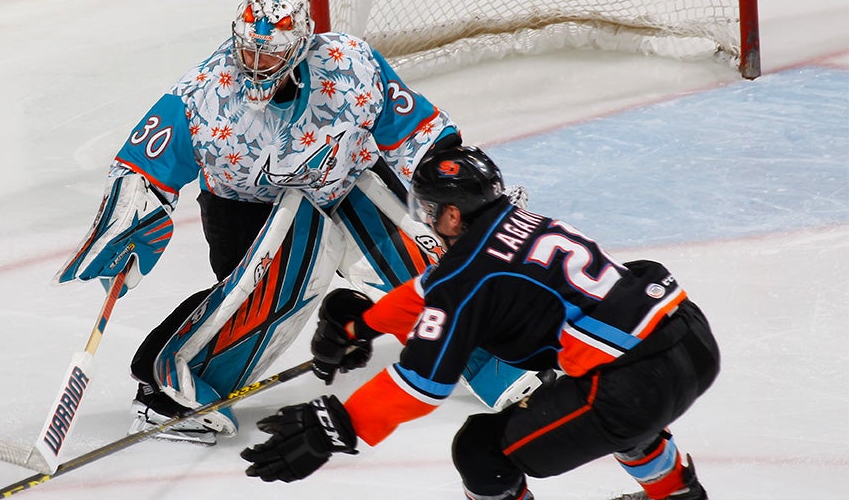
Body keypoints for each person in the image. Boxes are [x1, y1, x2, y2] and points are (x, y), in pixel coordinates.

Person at [54, 0, 538, 444]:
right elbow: (143, 163)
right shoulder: (204, 96)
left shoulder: (351, 64)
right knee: (258, 296)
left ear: (300, 47)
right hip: (245, 206)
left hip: (346, 178)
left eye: (270, 55)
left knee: (422, 255)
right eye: (248, 51)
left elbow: (416, 131)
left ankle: (493, 353)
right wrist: (130, 221)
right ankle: (169, 390)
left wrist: (463, 192)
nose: (256, 64)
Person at [240, 145, 721, 500]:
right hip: (690, 340)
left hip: (633, 386)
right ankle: (677, 493)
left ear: (452, 215)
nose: (425, 219)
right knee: (596, 399)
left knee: (480, 448)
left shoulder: (469, 273)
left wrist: (339, 423)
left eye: (429, 209)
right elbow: (434, 290)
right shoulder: (525, 222)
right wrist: (362, 326)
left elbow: (421, 384)